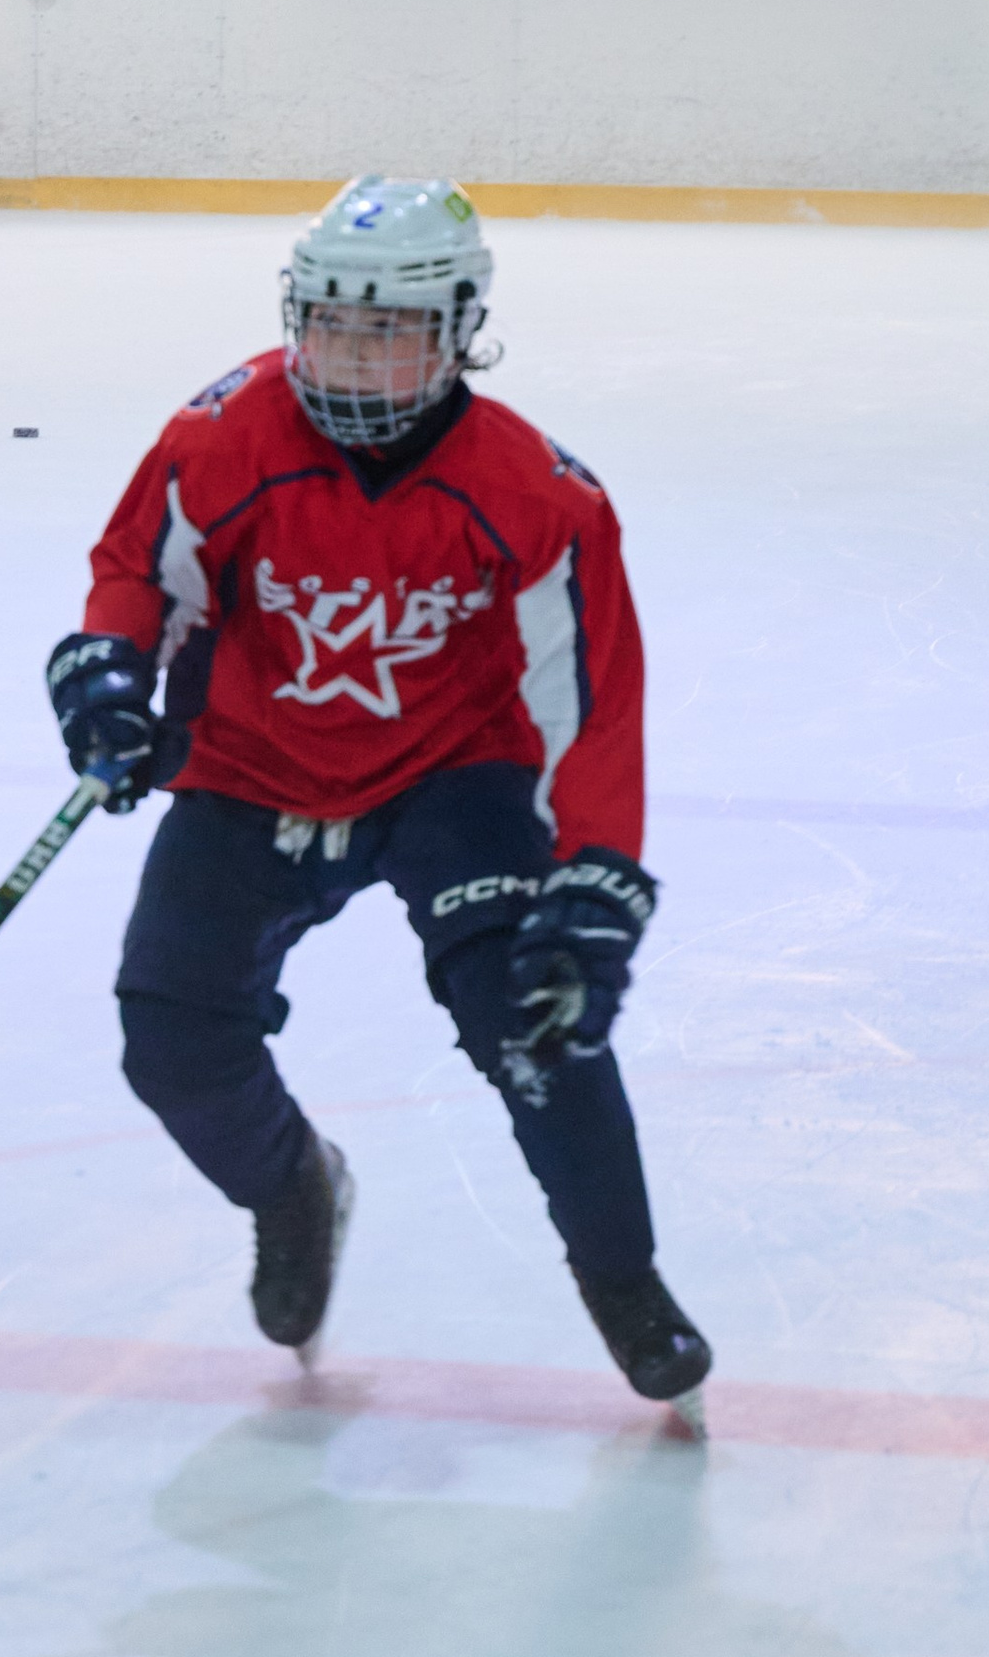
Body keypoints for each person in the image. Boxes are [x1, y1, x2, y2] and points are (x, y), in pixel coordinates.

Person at [47, 174, 710, 1414]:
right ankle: (291, 1184)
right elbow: (136, 573)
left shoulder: (538, 495)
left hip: (449, 776)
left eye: (390, 332)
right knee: (171, 1039)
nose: (351, 360)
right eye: (330, 326)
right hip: (249, 767)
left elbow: (590, 706)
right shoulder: (220, 434)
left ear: (458, 330)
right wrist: (105, 673)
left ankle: (624, 1281)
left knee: (539, 1017)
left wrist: (595, 872)